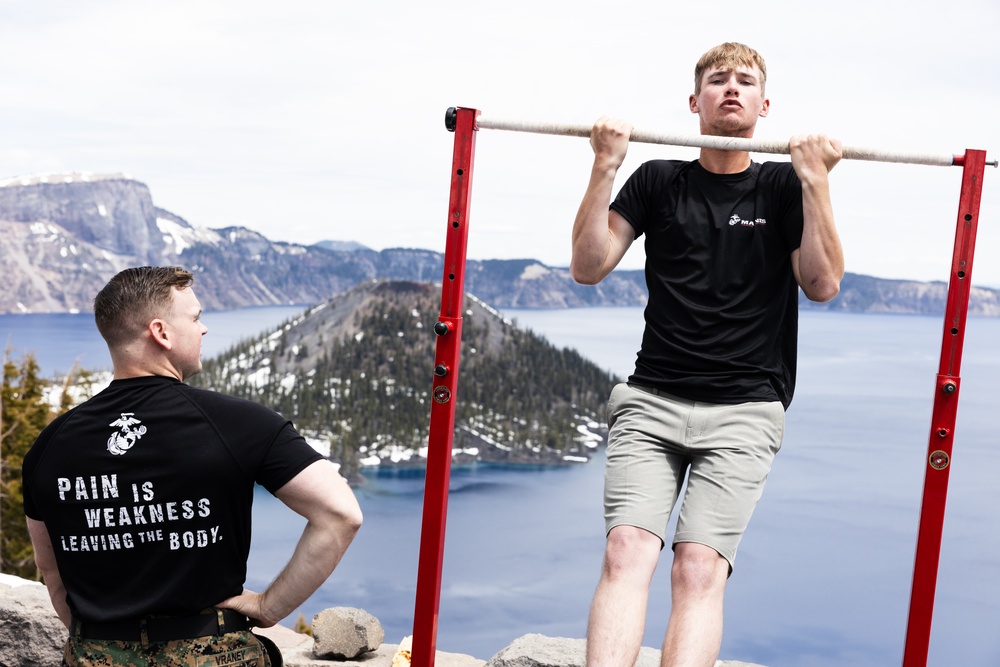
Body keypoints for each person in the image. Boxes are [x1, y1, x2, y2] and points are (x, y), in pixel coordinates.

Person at [572, 43, 844, 667]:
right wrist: (604, 167)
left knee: (697, 569)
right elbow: (588, 267)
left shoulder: (782, 185)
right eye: (717, 81)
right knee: (626, 550)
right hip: (653, 398)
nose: (730, 89)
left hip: (746, 409)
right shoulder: (659, 181)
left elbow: (822, 283)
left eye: (745, 82)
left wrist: (816, 181)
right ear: (693, 103)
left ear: (763, 105)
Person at [22, 266, 363, 666]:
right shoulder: (239, 423)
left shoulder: (49, 445)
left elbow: (53, 572)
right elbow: (340, 514)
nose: (203, 330)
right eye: (196, 318)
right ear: (161, 332)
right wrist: (270, 605)